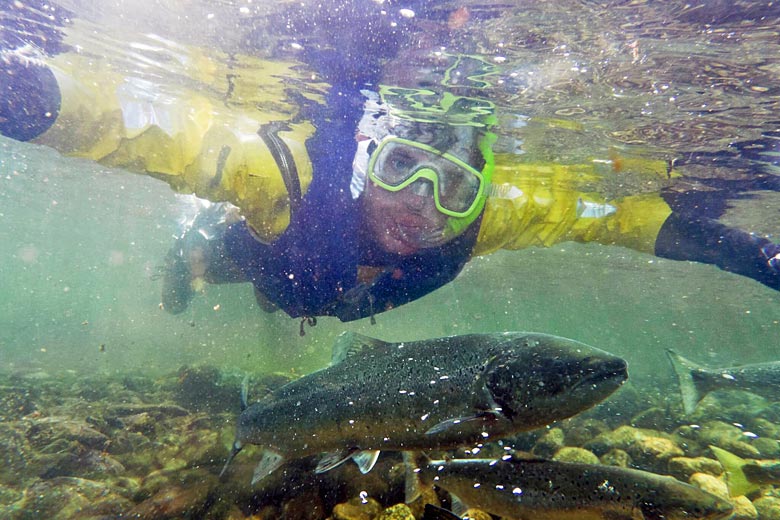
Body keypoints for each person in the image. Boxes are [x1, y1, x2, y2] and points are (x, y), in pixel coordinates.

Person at [2, 1, 779, 329]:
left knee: (309, 296)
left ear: (485, 189)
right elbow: (147, 126)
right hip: (282, 242)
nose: (425, 205)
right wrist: (30, 91)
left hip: (342, 283)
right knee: (247, 263)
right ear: (367, 156)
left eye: (455, 184)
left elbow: (629, 220)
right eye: (405, 165)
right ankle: (194, 255)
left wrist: (758, 257)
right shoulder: (289, 170)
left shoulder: (495, 212)